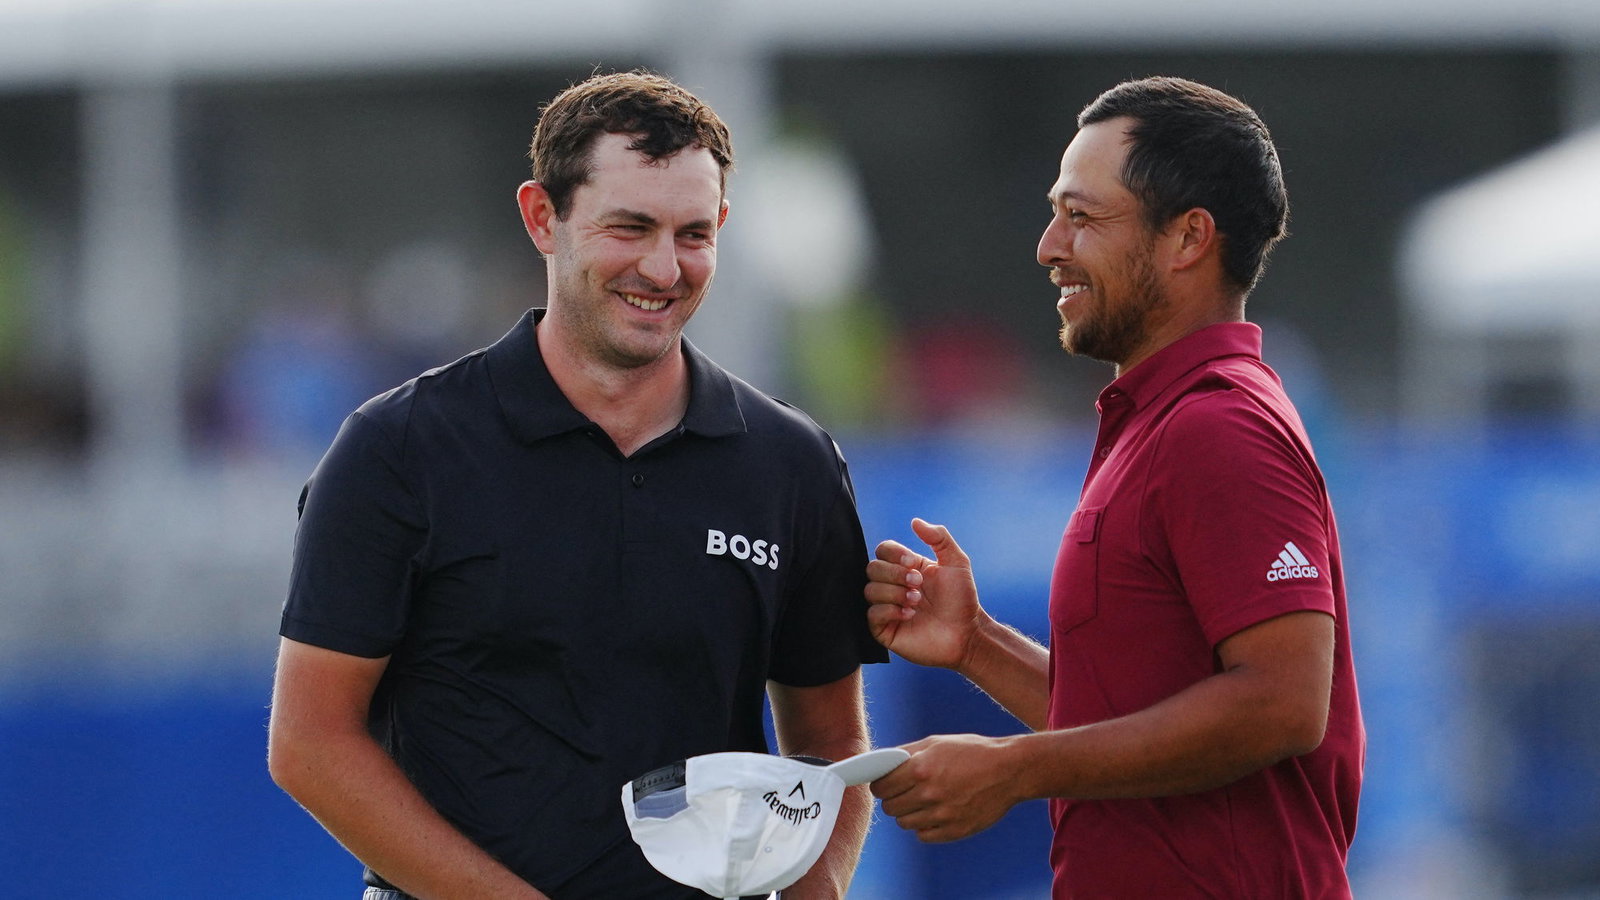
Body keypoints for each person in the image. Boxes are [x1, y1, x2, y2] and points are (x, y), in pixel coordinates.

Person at [267, 70, 887, 900]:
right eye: (629, 227)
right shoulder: (399, 449)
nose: (663, 268)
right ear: (541, 218)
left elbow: (829, 751)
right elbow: (310, 743)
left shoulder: (790, 463)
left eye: (693, 234)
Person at [864, 76, 1364, 898]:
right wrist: (976, 644)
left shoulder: (1219, 427)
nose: (1049, 245)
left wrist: (1013, 769)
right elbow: (1132, 718)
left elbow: (1281, 703)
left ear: (1188, 238)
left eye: (1083, 216)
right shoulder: (1159, 422)